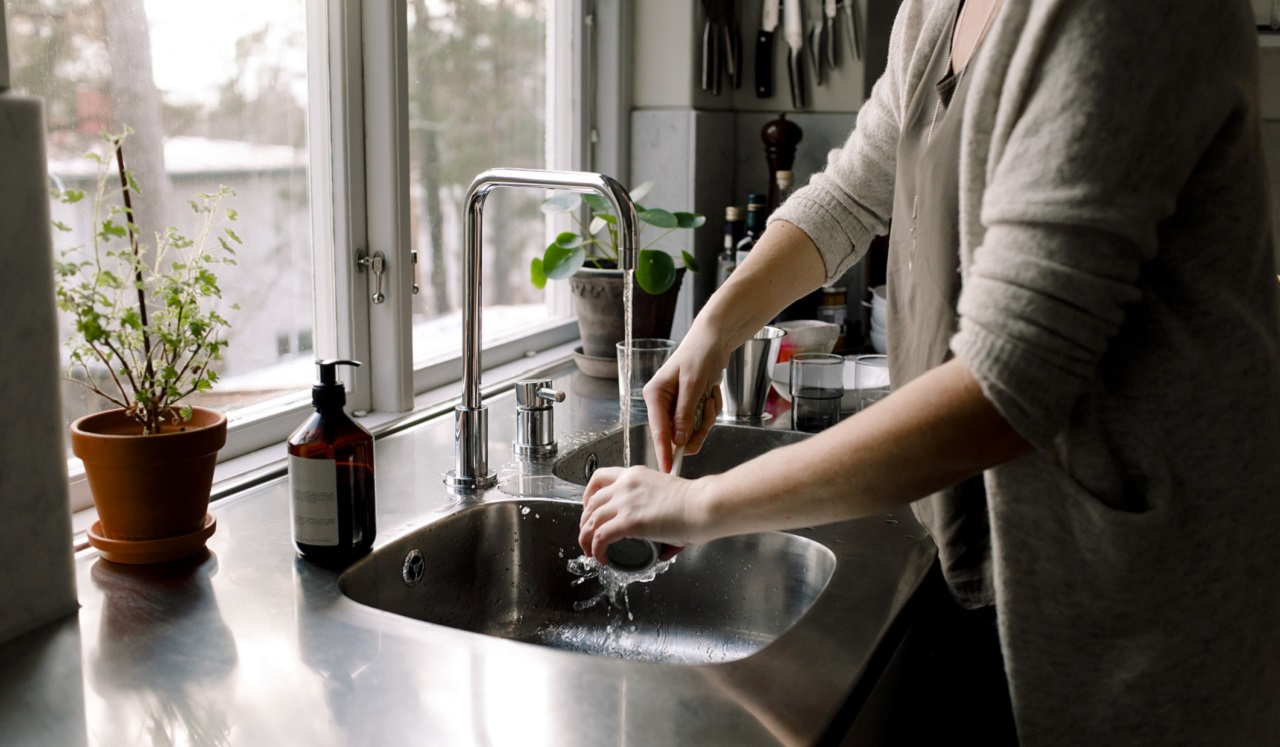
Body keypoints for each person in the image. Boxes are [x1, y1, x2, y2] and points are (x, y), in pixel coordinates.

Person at [578, 0, 1280, 743]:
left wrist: (700, 504)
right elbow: (853, 191)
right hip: (980, 567)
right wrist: (716, 325)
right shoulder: (936, 8)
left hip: (1134, 602)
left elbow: (1005, 386)